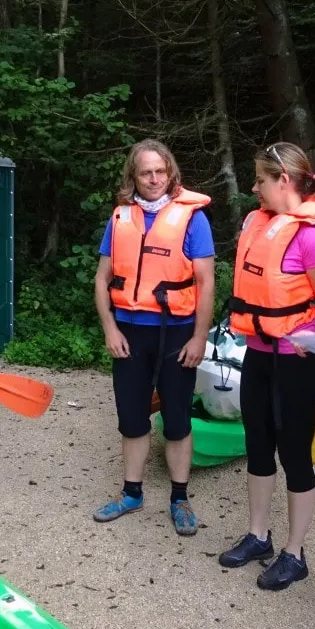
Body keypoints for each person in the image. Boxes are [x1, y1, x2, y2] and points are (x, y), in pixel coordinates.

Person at [217, 142, 315, 591]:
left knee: (295, 455)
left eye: (260, 180)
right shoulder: (258, 223)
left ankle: (294, 553)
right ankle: (258, 536)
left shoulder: (313, 236)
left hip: (297, 362)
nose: (254, 188)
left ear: (283, 181)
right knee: (257, 445)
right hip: (258, 354)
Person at [92, 138, 215, 536]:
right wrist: (110, 328)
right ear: (134, 175)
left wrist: (199, 338)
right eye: (146, 172)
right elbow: (102, 279)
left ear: (170, 172)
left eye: (160, 171)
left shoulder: (193, 218)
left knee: (177, 418)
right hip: (129, 331)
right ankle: (132, 493)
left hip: (176, 331)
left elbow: (206, 284)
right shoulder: (120, 218)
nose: (154, 179)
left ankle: (180, 498)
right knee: (132, 418)